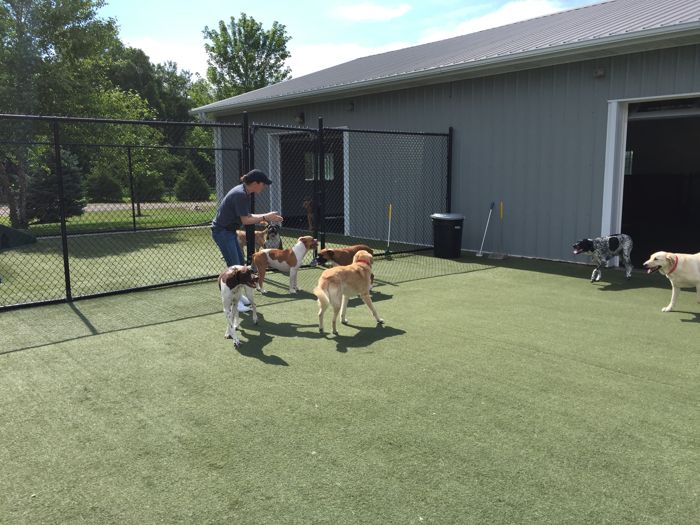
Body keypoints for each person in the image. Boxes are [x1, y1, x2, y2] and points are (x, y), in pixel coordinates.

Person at [211, 169, 283, 312]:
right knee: (235, 268)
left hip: (228, 232)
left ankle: (238, 296)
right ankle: (235, 303)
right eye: (263, 184)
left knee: (240, 265)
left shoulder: (243, 192)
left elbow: (247, 215)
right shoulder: (240, 194)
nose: (264, 187)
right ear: (255, 183)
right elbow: (246, 220)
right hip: (223, 232)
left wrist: (266, 216)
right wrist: (266, 217)